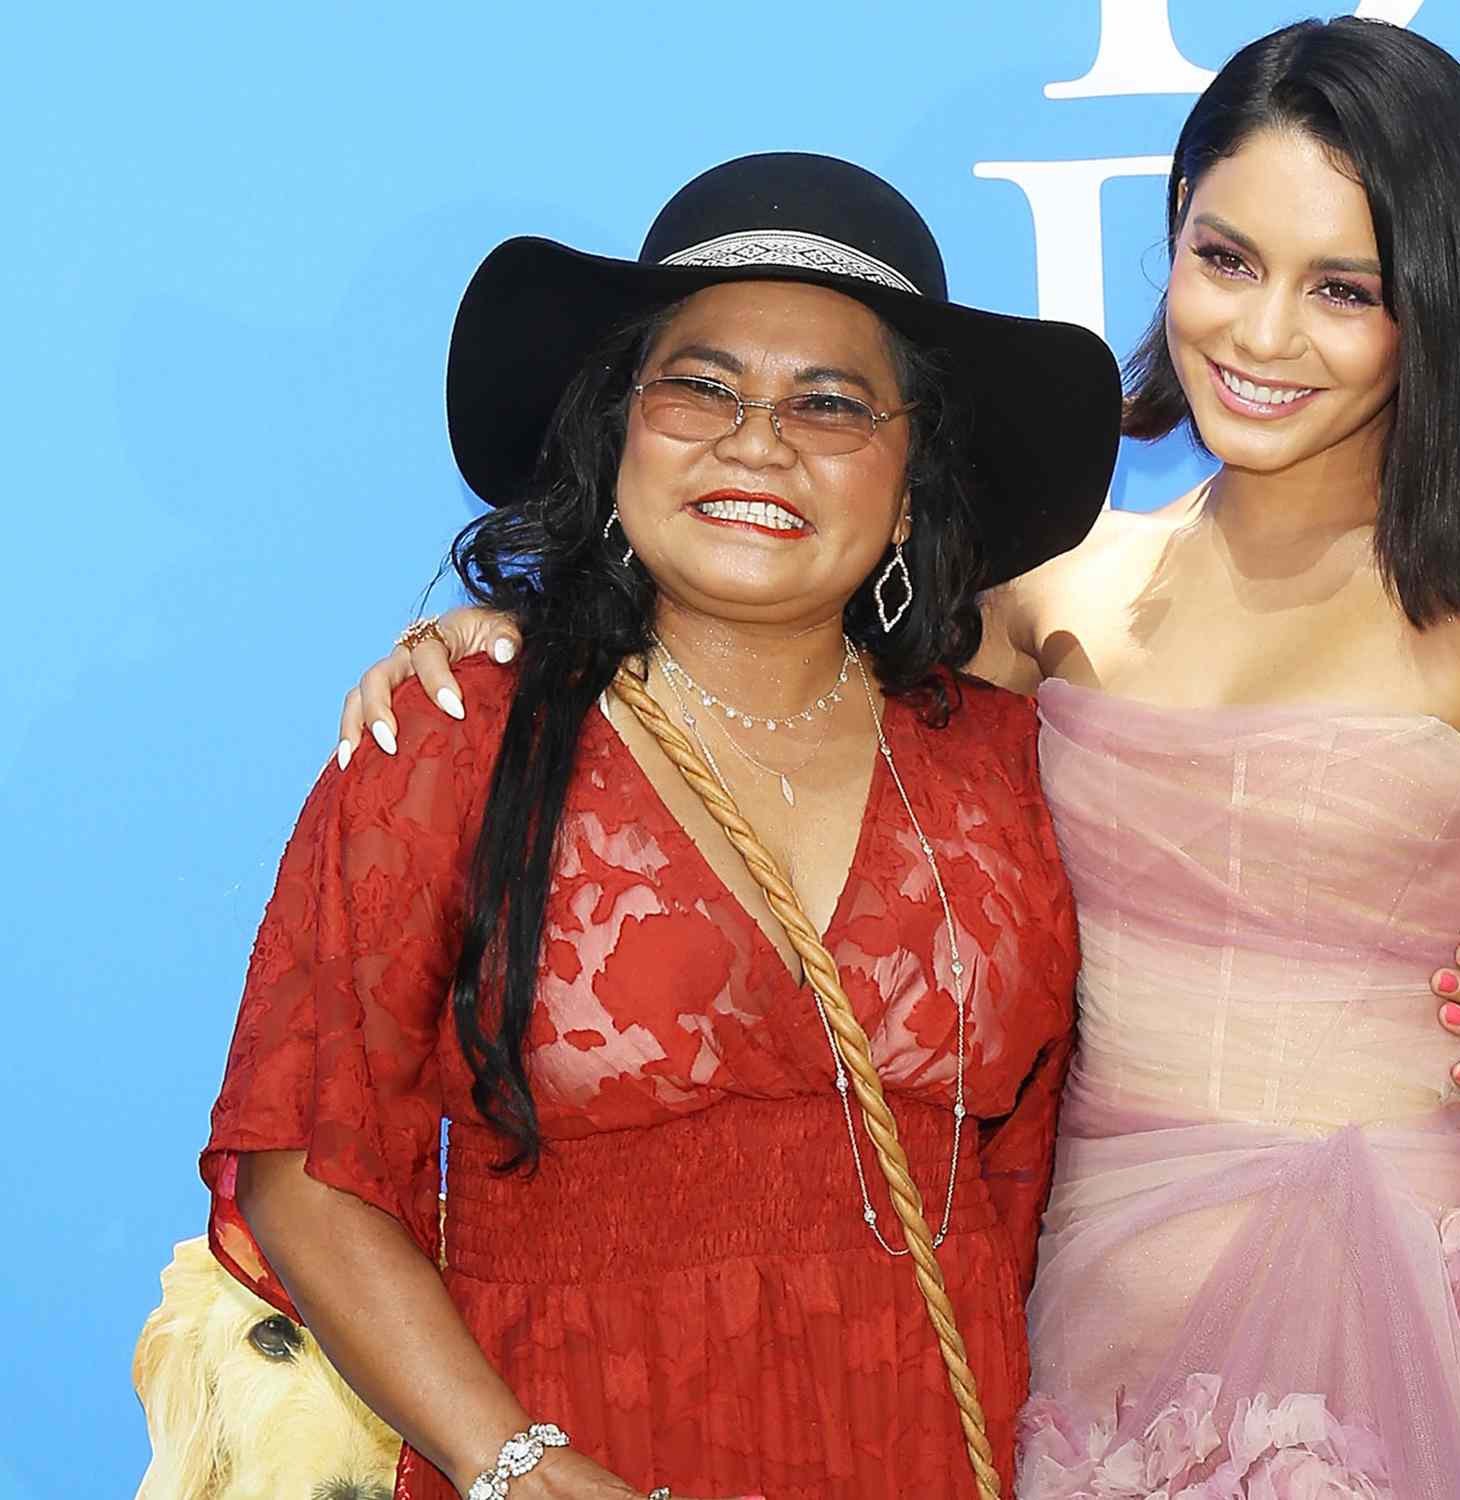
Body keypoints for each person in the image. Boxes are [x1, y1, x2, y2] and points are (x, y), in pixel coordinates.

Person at [203, 151, 1128, 1500]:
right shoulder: (461, 739)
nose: (756, 441)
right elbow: (306, 1159)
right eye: (701, 386)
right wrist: (507, 1462)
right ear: (617, 432)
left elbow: (1120, 1106)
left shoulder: (1011, 771)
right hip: (568, 1455)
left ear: (912, 479)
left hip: (931, 1449)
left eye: (831, 405)